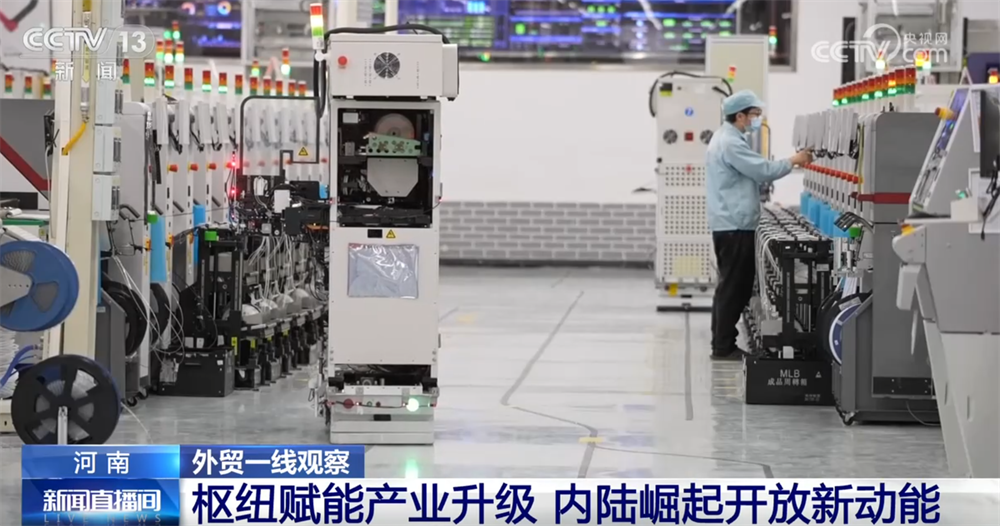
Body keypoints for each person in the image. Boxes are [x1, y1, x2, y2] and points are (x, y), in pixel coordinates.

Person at [705, 90, 813, 360]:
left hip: (731, 222)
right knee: (734, 287)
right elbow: (763, 170)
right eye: (754, 114)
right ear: (740, 116)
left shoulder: (724, 138)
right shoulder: (731, 143)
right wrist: (794, 160)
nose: (757, 120)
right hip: (735, 224)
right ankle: (723, 347)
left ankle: (721, 342)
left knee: (730, 285)